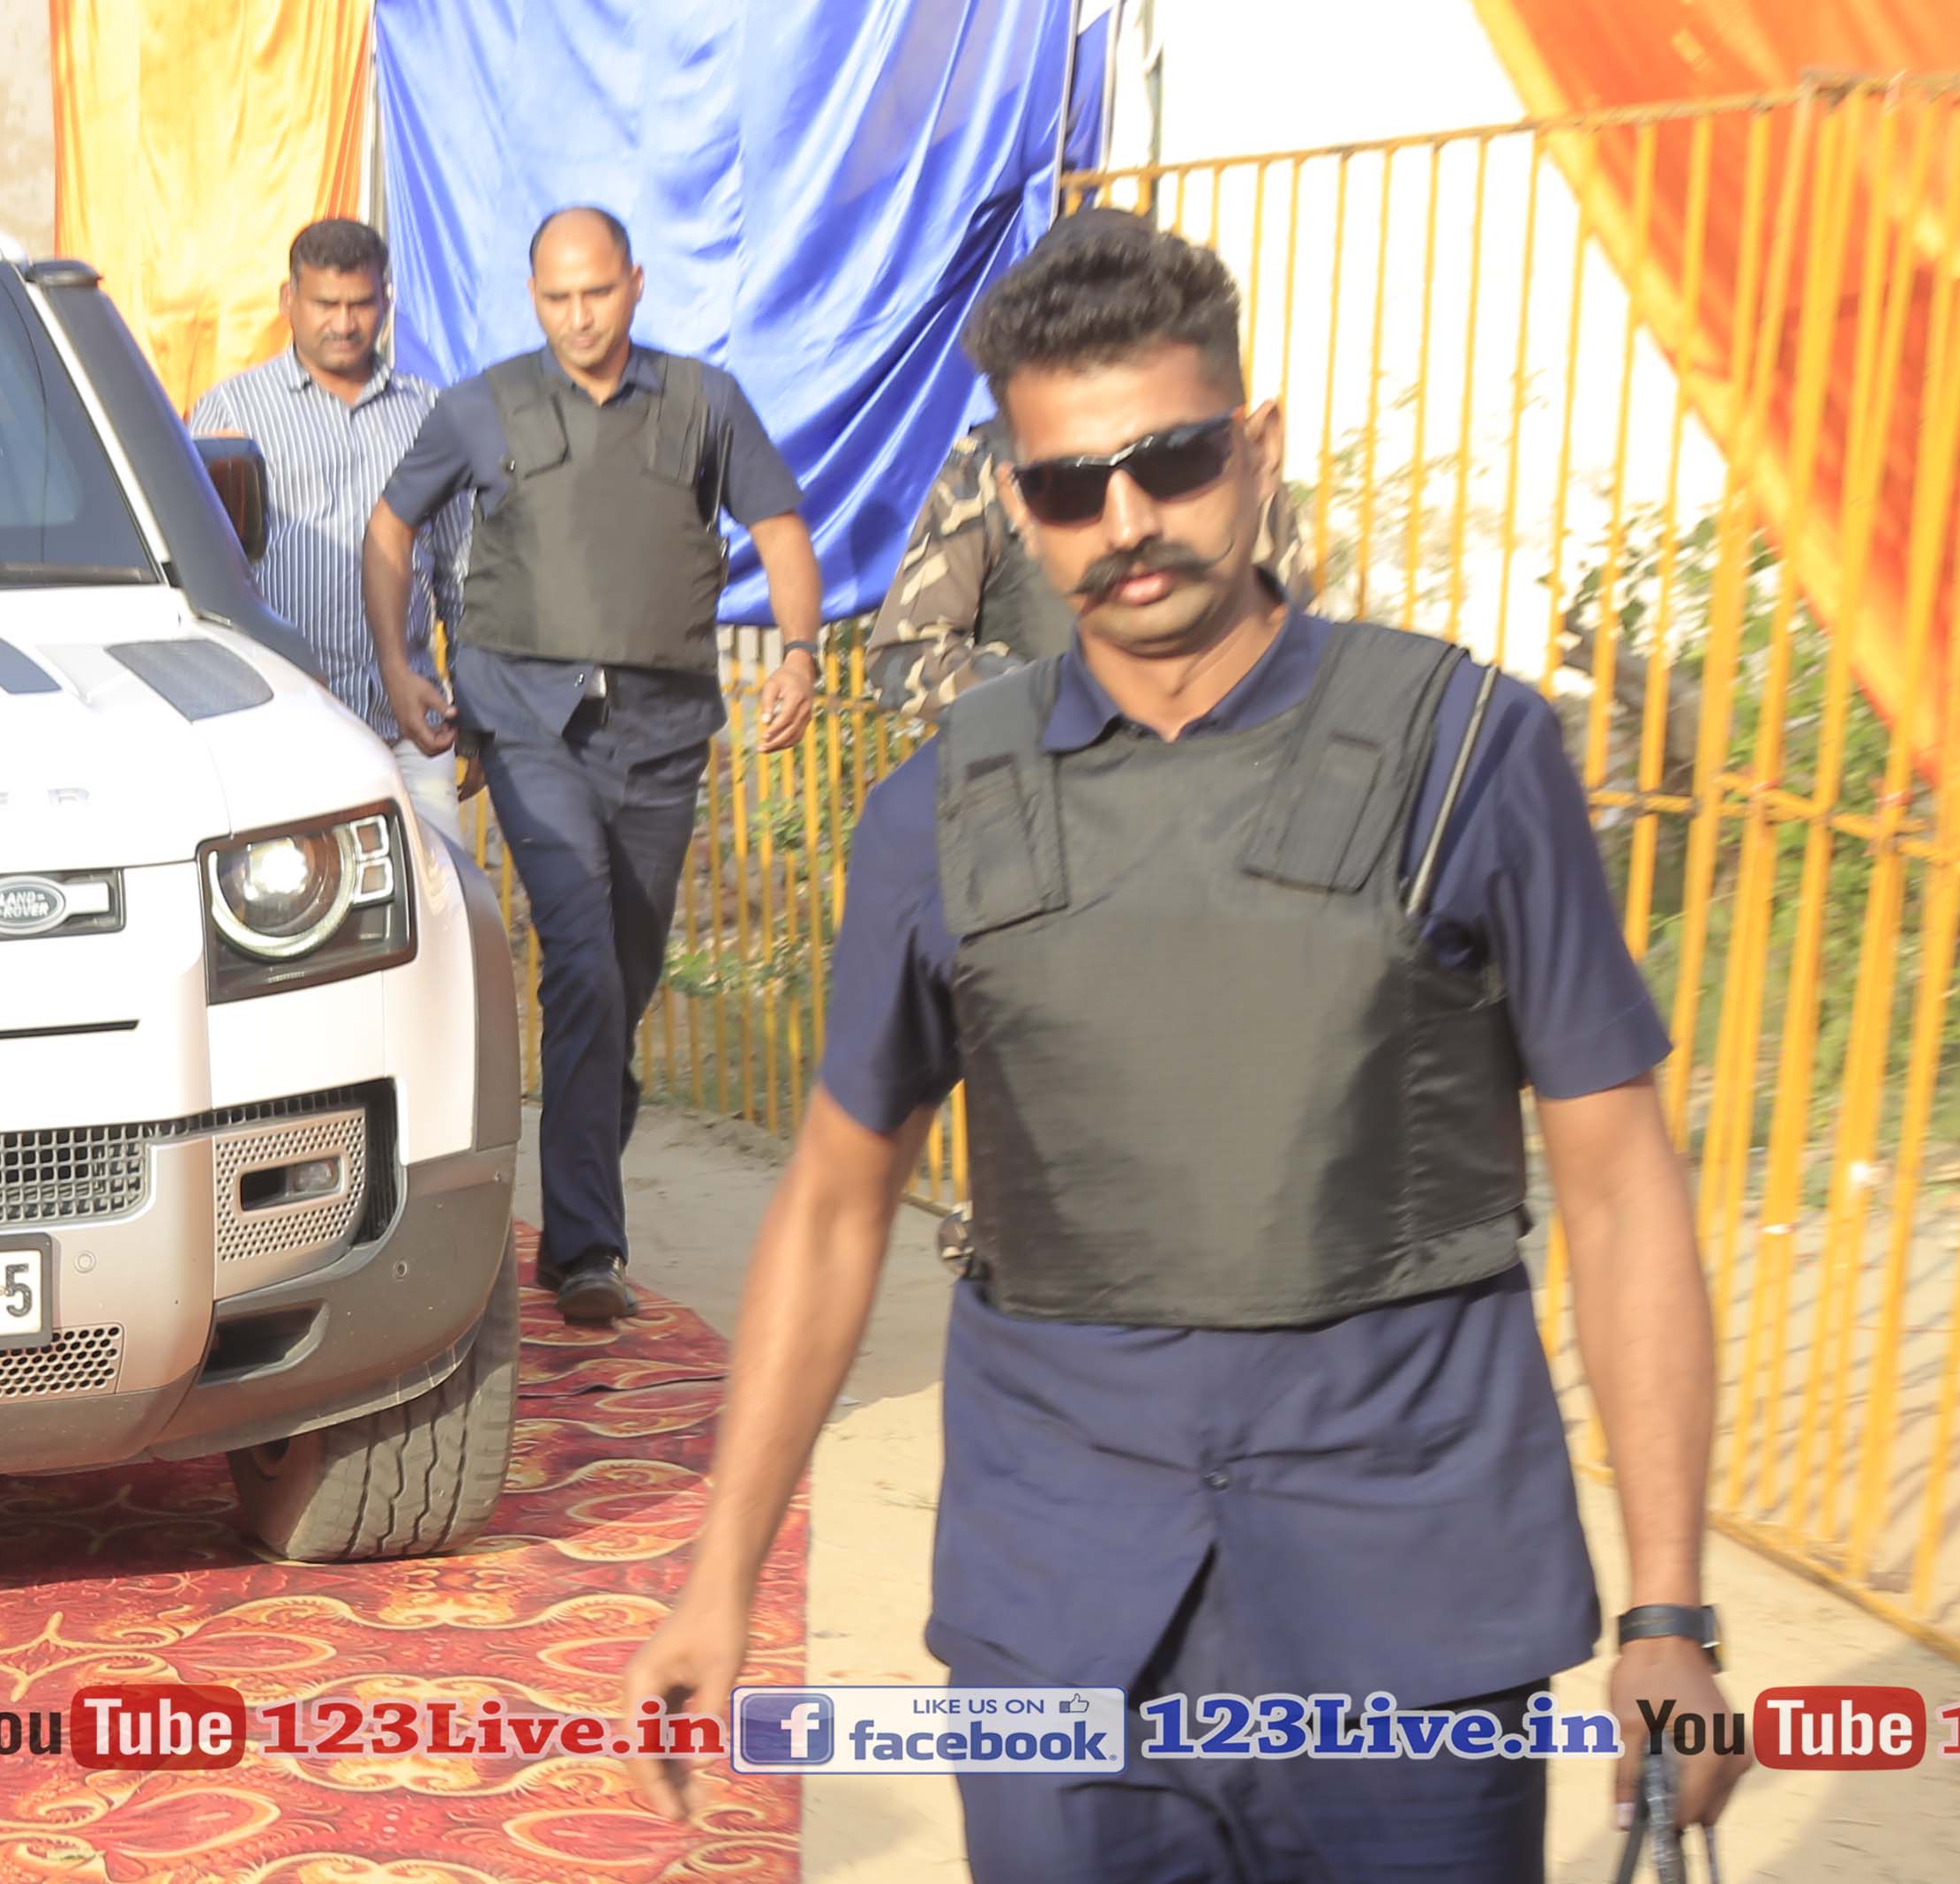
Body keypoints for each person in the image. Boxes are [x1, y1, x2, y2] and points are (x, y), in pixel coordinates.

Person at [616, 208, 1749, 1884]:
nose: (1126, 522)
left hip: (1412, 1589)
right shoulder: (946, 809)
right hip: (1066, 1601)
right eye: (1068, 485)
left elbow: (1614, 1172)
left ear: (1257, 451)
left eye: (1171, 460)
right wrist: (718, 1572)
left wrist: (1672, 1600)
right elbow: (839, 1199)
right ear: (1013, 508)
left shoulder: (1470, 755)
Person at [363, 205, 825, 1333]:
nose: (579, 316)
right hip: (528, 720)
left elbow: (779, 527)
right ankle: (586, 1247)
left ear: (637, 284)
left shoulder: (705, 402)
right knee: (579, 953)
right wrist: (399, 665)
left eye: (599, 293)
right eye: (559, 298)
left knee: (623, 971)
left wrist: (801, 653)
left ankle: (581, 1171)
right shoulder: (482, 406)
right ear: (534, 299)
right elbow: (389, 529)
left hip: (661, 730)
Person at [186, 215, 459, 833]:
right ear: (289, 300)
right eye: (325, 304)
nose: (344, 323)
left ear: (386, 300)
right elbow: (203, 568)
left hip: (411, 720)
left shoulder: (427, 411)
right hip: (287, 723)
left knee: (441, 882)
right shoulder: (232, 412)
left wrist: (474, 702)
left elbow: (459, 563)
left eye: (360, 304)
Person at [878, 409, 1311, 719]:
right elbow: (904, 658)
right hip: (1049, 791)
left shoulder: (1223, 452)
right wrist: (1065, 698)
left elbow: (1294, 640)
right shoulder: (987, 465)